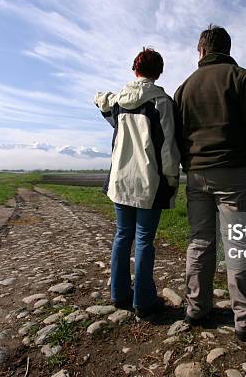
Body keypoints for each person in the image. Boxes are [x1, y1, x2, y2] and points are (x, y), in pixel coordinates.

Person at [173, 25, 246, 341]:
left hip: (196, 173)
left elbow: (176, 134)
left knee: (200, 241)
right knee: (240, 243)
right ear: (227, 49)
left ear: (200, 50)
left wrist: (188, 163)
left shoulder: (184, 87)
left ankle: (196, 308)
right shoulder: (242, 77)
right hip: (235, 172)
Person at [94, 48, 180, 318]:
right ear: (159, 72)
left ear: (135, 69)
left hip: (120, 181)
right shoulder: (162, 102)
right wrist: (172, 178)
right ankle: (143, 301)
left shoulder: (119, 101)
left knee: (122, 236)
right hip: (148, 182)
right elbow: (167, 147)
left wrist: (99, 97)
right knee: (144, 240)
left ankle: (119, 294)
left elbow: (102, 101)